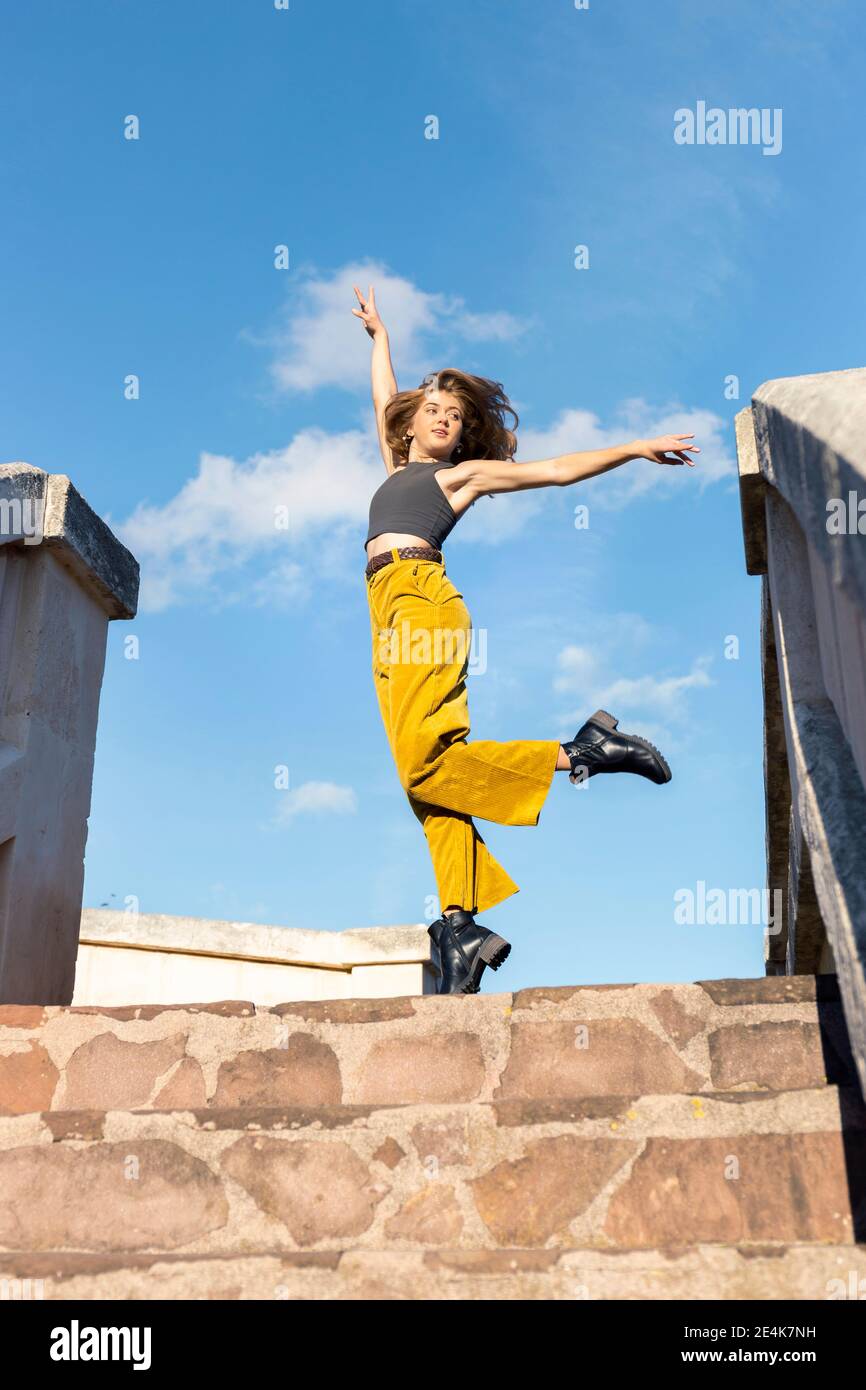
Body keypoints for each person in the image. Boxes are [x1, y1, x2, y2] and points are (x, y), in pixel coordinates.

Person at [353, 283, 699, 996]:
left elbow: (553, 470)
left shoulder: (463, 477)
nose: (445, 419)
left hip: (421, 599)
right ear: (410, 425)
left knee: (424, 764)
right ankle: (458, 926)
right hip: (384, 609)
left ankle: (582, 752)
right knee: (426, 775)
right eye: (434, 412)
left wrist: (634, 447)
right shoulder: (395, 468)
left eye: (455, 415)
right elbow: (383, 394)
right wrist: (379, 337)